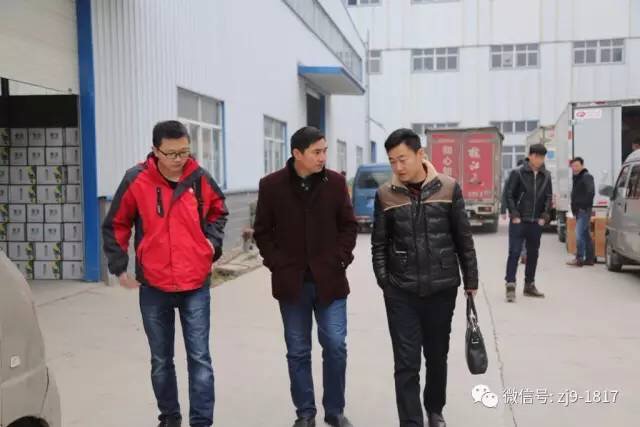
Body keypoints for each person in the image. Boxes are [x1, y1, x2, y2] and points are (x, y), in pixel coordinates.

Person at [102, 120, 228, 427]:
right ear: (155, 151)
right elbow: (116, 223)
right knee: (161, 361)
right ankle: (170, 418)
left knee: (199, 359)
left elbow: (218, 210)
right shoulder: (136, 179)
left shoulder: (199, 177)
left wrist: (211, 245)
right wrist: (119, 264)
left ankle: (201, 422)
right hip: (154, 285)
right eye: (172, 153)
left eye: (184, 151)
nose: (179, 159)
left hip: (194, 284)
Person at [371, 129, 478, 427]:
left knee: (436, 355)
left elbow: (463, 238)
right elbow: (378, 244)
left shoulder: (448, 188)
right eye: (392, 161)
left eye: (402, 159)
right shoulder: (385, 195)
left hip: (442, 289)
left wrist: (471, 280)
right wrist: (385, 282)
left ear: (420, 154)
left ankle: (434, 410)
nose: (398, 167)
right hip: (401, 291)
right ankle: (411, 421)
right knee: (406, 362)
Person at [253, 126, 358, 427]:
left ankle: (334, 411)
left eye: (325, 151)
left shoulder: (335, 183)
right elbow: (262, 232)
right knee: (298, 351)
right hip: (292, 284)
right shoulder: (271, 186)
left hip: (330, 280)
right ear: (297, 154)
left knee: (335, 346)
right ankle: (305, 413)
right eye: (316, 152)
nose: (323, 157)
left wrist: (340, 259)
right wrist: (277, 264)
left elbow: (349, 226)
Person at [503, 143, 552, 302]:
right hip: (519, 220)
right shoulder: (518, 173)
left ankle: (529, 285)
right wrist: (514, 214)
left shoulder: (546, 175)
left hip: (536, 222)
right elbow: (509, 194)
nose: (539, 160)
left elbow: (548, 197)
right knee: (515, 252)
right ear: (530, 156)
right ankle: (510, 285)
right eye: (536, 156)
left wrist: (545, 215)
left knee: (533, 254)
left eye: (542, 157)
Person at [567, 157, 595, 266]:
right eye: (573, 166)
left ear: (582, 165)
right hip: (579, 210)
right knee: (585, 234)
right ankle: (589, 259)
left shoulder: (586, 176)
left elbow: (591, 192)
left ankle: (579, 258)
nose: (575, 168)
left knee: (579, 234)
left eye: (577, 165)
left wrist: (583, 206)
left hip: (583, 210)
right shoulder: (577, 177)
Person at [501, 159, 527, 264]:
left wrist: (503, 210)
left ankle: (515, 255)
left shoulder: (512, 176)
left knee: (515, 235)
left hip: (515, 212)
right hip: (524, 212)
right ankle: (523, 254)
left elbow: (505, 194)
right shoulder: (528, 177)